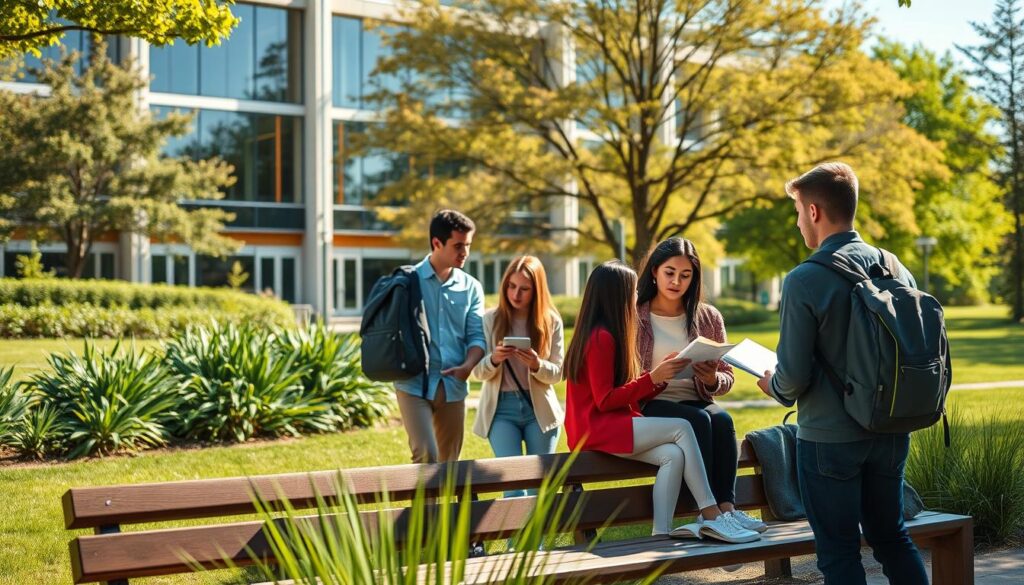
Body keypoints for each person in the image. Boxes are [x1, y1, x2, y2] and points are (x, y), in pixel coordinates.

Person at [757, 162, 928, 584]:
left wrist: (772, 385)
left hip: (829, 438)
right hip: (890, 428)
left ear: (814, 212)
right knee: (892, 538)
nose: (797, 222)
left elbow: (792, 376)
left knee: (837, 552)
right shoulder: (893, 266)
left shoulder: (804, 279)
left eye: (798, 211)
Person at [564, 261, 760, 543]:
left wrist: (661, 377)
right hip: (596, 428)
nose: (636, 298)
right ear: (616, 296)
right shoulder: (601, 339)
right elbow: (605, 400)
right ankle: (712, 514)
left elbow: (621, 393)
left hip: (608, 424)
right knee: (682, 427)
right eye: (632, 292)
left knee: (673, 454)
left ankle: (661, 535)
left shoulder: (606, 335)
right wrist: (651, 378)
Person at [636, 237, 767, 533]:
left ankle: (727, 510)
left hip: (694, 396)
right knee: (698, 420)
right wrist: (657, 373)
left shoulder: (707, 317)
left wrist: (710, 379)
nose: (676, 282)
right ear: (655, 271)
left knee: (721, 418)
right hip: (650, 401)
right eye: (670, 273)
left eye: (685, 275)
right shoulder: (635, 316)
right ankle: (705, 511)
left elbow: (727, 377)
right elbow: (625, 374)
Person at [393, 209, 486, 465]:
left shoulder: (471, 287)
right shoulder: (407, 281)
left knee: (448, 465)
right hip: (413, 384)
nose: (464, 252)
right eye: (458, 246)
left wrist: (468, 366)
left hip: (454, 387)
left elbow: (477, 336)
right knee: (425, 456)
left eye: (467, 245)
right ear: (437, 243)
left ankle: (440, 508)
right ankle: (421, 508)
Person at [472, 256, 565, 497]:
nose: (516, 294)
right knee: (513, 488)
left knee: (538, 489)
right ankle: (517, 537)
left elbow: (558, 373)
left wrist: (536, 364)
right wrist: (494, 358)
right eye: (511, 287)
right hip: (501, 410)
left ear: (537, 290)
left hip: (539, 412)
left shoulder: (551, 322)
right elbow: (477, 371)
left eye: (524, 289)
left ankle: (535, 537)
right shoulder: (490, 320)